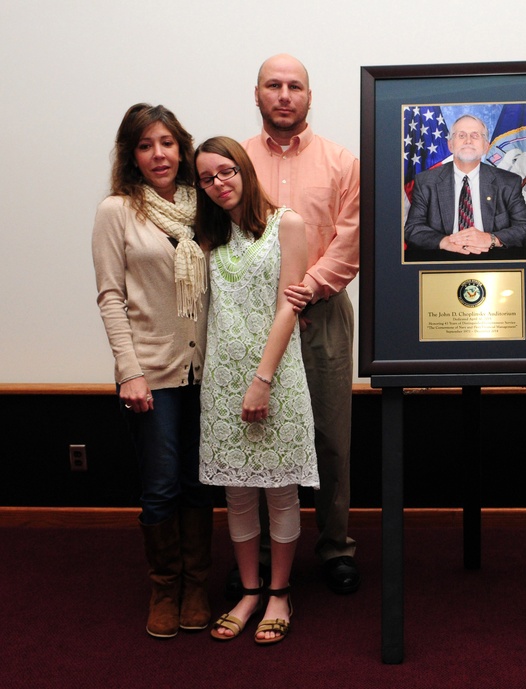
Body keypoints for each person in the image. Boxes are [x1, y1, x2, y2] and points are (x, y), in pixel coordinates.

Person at [92, 103, 213, 638]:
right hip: (151, 373)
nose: (158, 154)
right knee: (162, 485)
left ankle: (198, 585)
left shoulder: (204, 206)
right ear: (131, 156)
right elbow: (111, 296)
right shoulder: (116, 211)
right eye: (145, 145)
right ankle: (165, 588)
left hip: (206, 371)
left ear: (182, 148)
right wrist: (129, 370)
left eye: (166, 143)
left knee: (197, 482)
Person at [242, 53, 361, 594]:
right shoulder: (235, 161)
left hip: (323, 314)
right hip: (254, 319)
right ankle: (263, 553)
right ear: (258, 94)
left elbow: (350, 238)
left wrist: (305, 289)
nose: (284, 94)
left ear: (310, 97)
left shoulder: (342, 161)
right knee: (263, 436)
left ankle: (335, 546)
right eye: (274, 85)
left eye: (295, 86)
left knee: (332, 438)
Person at [194, 136, 318, 645]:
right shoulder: (209, 235)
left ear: (244, 169)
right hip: (222, 379)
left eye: (226, 171)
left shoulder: (286, 224)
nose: (219, 184)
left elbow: (290, 305)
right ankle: (248, 592)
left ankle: (280, 593)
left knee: (280, 492)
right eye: (206, 178)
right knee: (238, 495)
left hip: (275, 377)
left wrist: (262, 381)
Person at [404, 114, 526, 254]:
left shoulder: (508, 183)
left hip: (493, 261)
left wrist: (491, 239)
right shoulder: (426, 182)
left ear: (486, 146)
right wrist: (444, 242)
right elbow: (412, 229)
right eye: (461, 135)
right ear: (450, 145)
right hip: (443, 260)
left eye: (475, 136)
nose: (468, 141)